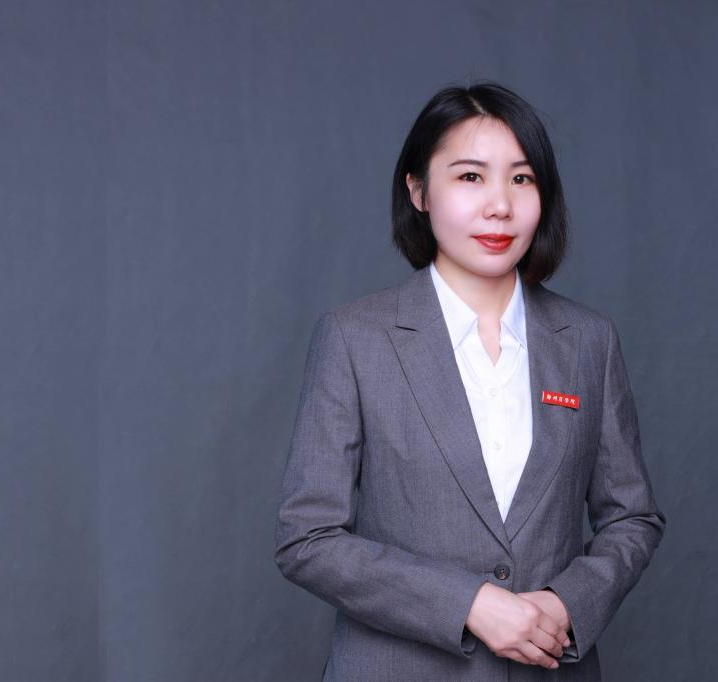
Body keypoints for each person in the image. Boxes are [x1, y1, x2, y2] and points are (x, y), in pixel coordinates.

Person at [275, 80, 666, 681]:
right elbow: (307, 538)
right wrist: (470, 604)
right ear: (418, 191)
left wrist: (567, 603)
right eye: (470, 177)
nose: (500, 206)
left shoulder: (589, 340)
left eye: (522, 178)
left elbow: (632, 517)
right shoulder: (354, 338)